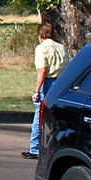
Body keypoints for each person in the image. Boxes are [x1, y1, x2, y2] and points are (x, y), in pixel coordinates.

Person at [26, 22, 69, 158]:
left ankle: (35, 148)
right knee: (56, 116)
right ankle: (56, 146)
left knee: (40, 116)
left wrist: (37, 90)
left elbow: (42, 70)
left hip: (48, 82)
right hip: (61, 82)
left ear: (41, 35)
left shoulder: (42, 48)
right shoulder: (61, 47)